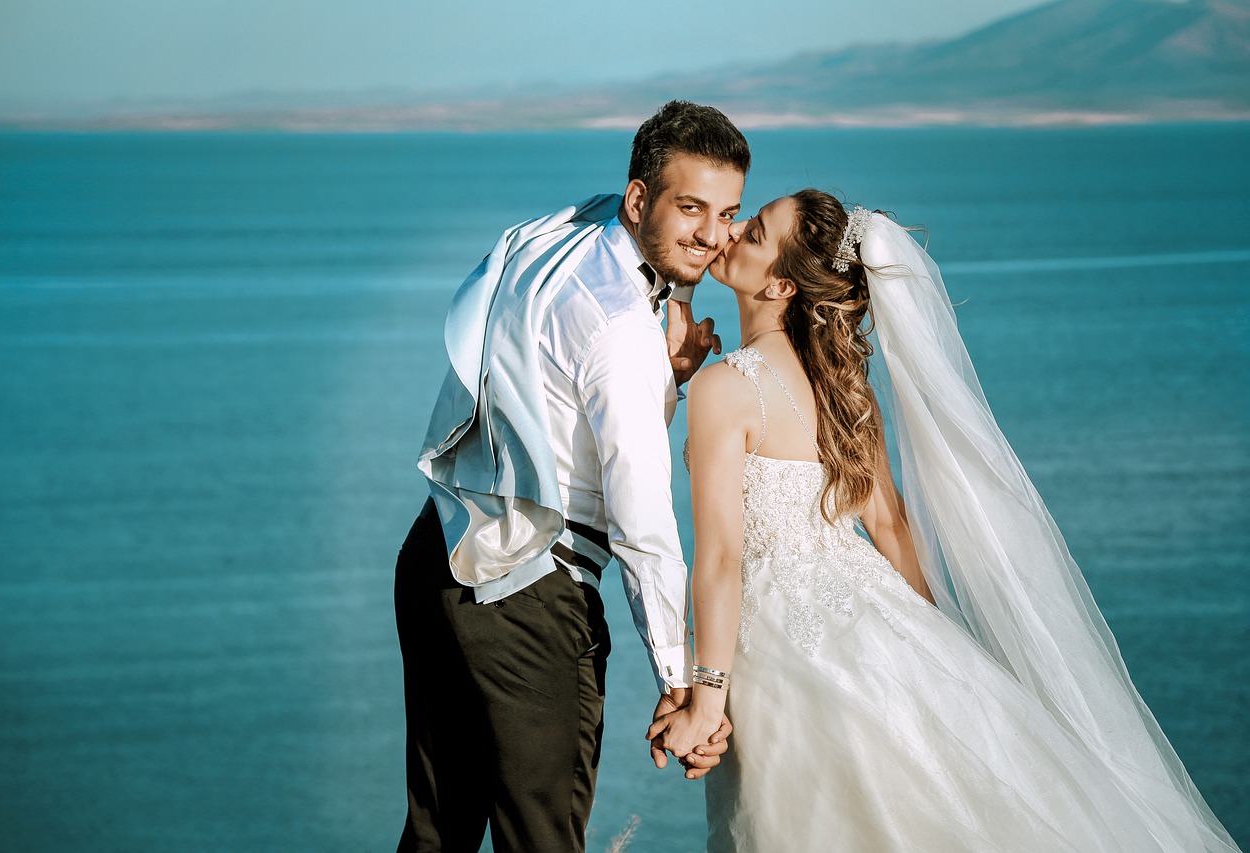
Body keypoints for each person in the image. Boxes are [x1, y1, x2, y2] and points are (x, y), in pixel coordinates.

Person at [648, 190, 1240, 851]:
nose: (730, 235)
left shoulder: (726, 386)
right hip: (872, 622)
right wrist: (934, 644)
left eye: (753, 232)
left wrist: (705, 695)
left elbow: (722, 559)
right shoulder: (843, 385)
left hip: (777, 652)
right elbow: (893, 525)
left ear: (781, 283)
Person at [393, 101, 749, 853]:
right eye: (693, 209)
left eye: (728, 213)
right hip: (530, 593)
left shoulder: (559, 232)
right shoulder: (624, 329)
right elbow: (642, 521)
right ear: (639, 198)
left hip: (436, 554)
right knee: (542, 841)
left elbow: (571, 389)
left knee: (436, 832)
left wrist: (671, 363)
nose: (715, 236)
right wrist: (681, 681)